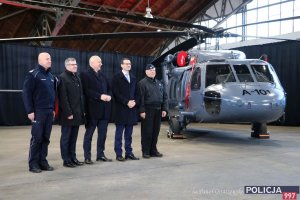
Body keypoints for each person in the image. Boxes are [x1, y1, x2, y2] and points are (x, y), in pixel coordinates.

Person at [22, 52, 58, 173]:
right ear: (40, 60)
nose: (50, 60)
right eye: (47, 59)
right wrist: (30, 110)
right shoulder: (33, 75)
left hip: (49, 112)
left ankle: (43, 162)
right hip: (38, 112)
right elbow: (26, 93)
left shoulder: (51, 77)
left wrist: (53, 109)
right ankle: (33, 164)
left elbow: (52, 95)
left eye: (50, 59)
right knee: (37, 138)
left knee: (46, 138)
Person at [80, 55, 112, 164]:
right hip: (92, 111)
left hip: (104, 110)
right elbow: (86, 91)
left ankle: (100, 155)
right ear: (92, 63)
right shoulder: (85, 74)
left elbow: (109, 88)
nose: (101, 64)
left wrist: (109, 96)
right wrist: (100, 96)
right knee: (89, 134)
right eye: (99, 62)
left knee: (102, 134)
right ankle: (87, 157)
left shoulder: (103, 75)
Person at [58, 58, 85, 168]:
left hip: (77, 113)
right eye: (72, 64)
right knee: (66, 138)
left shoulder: (76, 77)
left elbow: (80, 97)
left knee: (73, 138)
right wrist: (68, 112)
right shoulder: (62, 78)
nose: (75, 66)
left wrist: (82, 111)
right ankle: (66, 160)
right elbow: (63, 98)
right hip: (68, 114)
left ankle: (73, 158)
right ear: (66, 66)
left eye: (75, 64)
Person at [112, 58, 139, 161]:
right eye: (126, 64)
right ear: (121, 65)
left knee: (129, 134)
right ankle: (119, 154)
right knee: (119, 134)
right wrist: (126, 102)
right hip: (121, 109)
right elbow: (115, 93)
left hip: (131, 110)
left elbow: (137, 92)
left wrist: (135, 102)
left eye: (129, 64)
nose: (128, 65)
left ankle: (129, 153)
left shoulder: (133, 77)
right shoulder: (116, 77)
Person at [137, 64, 167, 159]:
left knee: (155, 131)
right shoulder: (142, 83)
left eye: (154, 70)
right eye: (150, 70)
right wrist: (142, 110)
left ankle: (153, 150)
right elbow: (140, 98)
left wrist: (164, 109)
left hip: (158, 110)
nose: (152, 71)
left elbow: (164, 97)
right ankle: (145, 151)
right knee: (147, 131)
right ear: (146, 72)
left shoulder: (159, 83)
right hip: (148, 110)